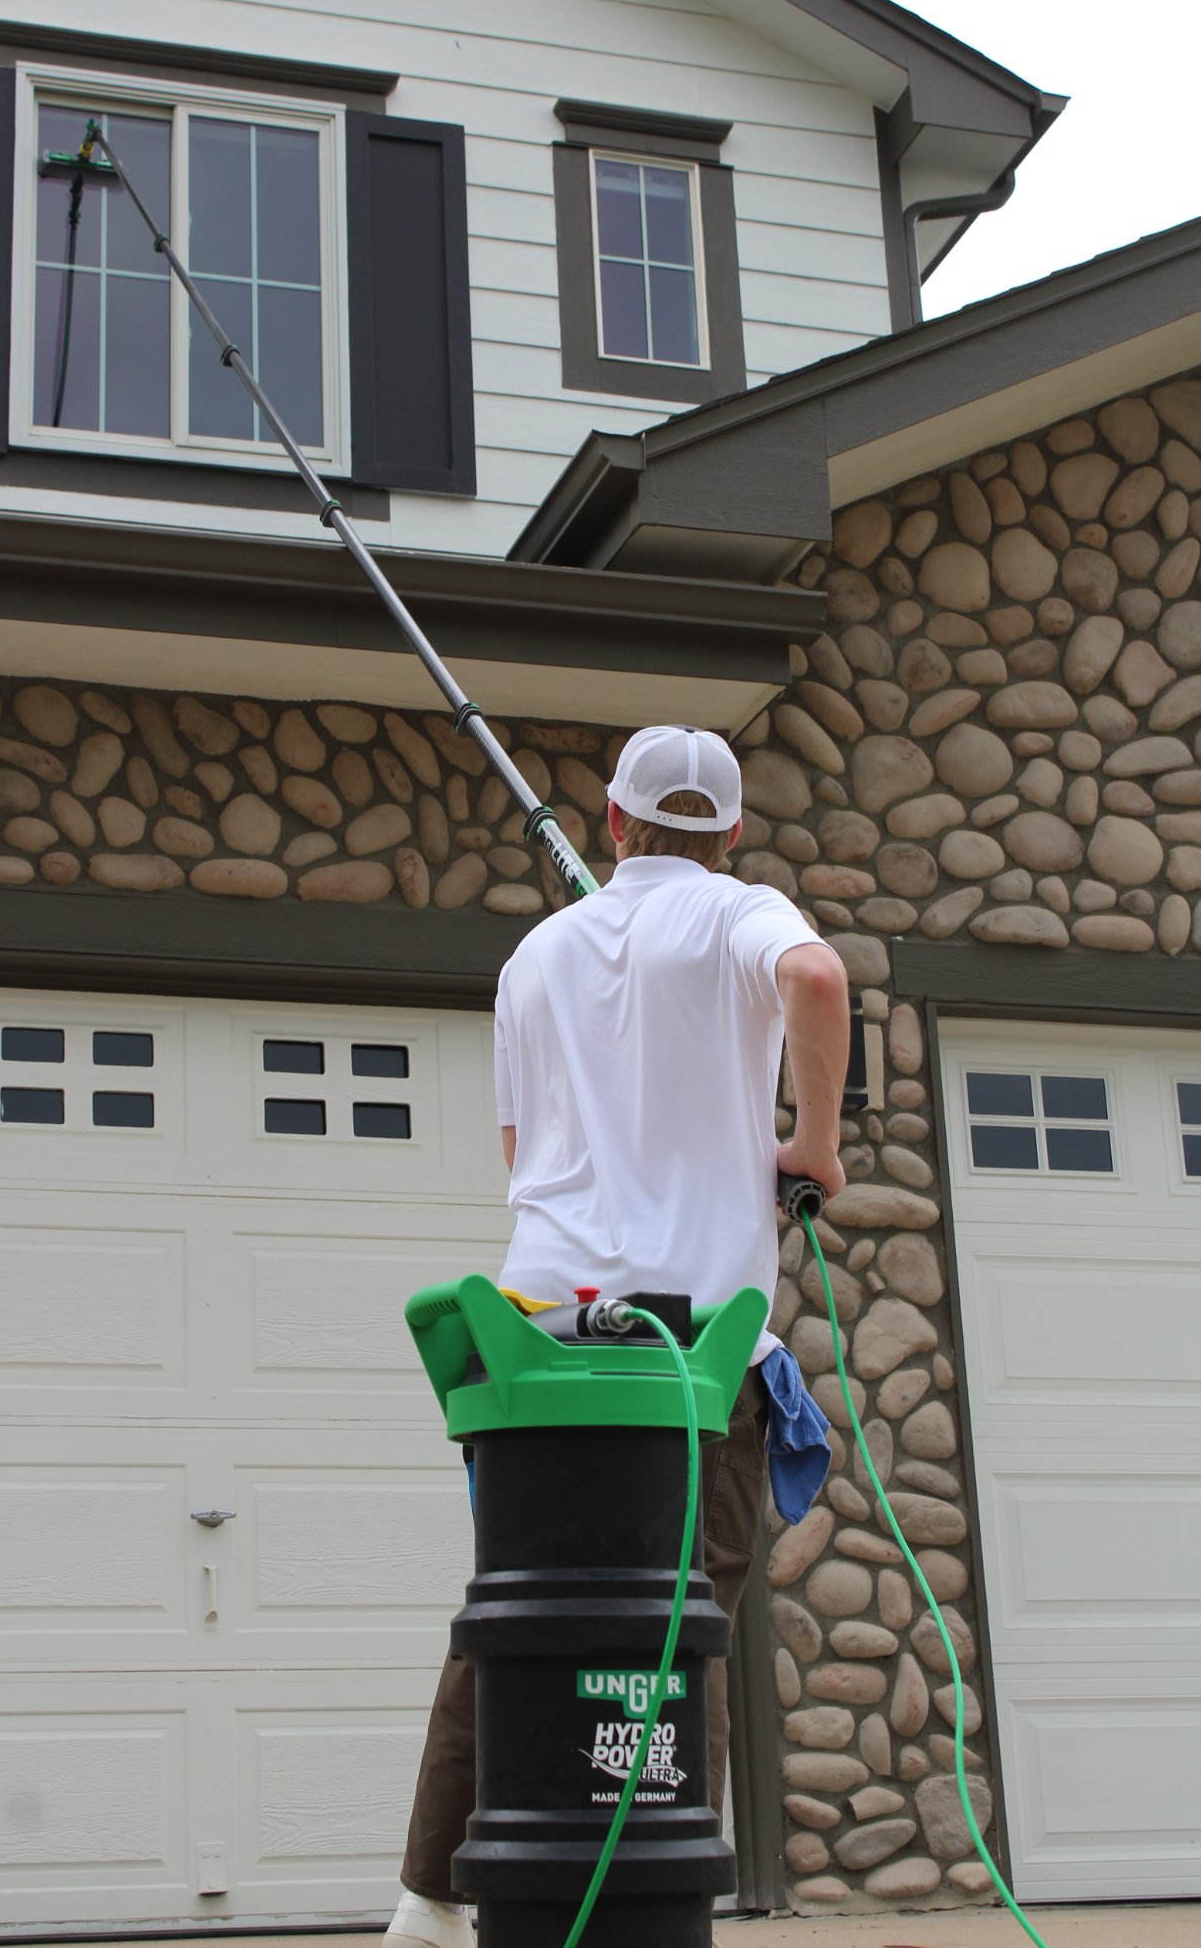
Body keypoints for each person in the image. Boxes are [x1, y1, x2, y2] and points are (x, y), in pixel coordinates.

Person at [388, 724, 849, 1948]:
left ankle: (430, 1899)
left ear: (612, 821)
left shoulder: (536, 954)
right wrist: (813, 1145)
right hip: (682, 1364)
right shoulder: (740, 913)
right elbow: (815, 979)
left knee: (521, 1614)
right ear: (732, 830)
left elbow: (518, 1159)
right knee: (673, 1629)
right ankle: (652, 1895)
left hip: (537, 1344)